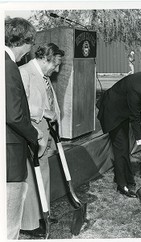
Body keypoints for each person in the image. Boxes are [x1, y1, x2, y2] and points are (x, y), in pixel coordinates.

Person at [96, 70, 141, 198]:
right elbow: (135, 117)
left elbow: (137, 109)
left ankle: (126, 178)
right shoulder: (137, 89)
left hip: (123, 110)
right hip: (112, 110)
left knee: (124, 146)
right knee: (121, 147)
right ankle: (122, 185)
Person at [19, 43, 64, 238]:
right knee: (30, 179)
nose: (57, 69)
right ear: (45, 58)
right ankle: (28, 224)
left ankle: (42, 214)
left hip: (45, 136)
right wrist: (43, 112)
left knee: (43, 175)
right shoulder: (24, 72)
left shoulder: (44, 76)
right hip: (29, 135)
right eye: (55, 65)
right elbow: (16, 105)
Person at [5, 17, 40, 240]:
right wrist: (36, 136)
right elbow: (14, 115)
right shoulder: (8, 66)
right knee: (9, 222)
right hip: (9, 157)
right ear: (25, 41)